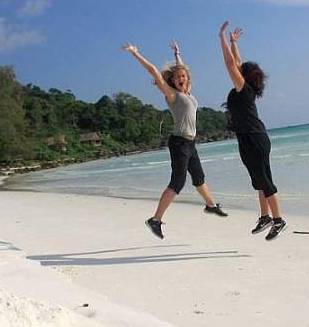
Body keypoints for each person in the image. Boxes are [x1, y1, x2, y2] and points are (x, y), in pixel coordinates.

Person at [122, 40, 228, 239]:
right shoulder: (172, 95)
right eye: (178, 77)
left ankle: (211, 206)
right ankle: (155, 220)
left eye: (184, 76)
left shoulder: (187, 93)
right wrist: (135, 53)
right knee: (177, 183)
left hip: (190, 144)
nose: (181, 78)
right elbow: (154, 70)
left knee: (199, 178)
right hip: (179, 143)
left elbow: (183, 70)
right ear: (172, 80)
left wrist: (178, 53)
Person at [218, 21, 287, 241]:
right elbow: (236, 62)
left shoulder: (244, 89)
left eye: (241, 70)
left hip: (255, 139)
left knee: (265, 181)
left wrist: (221, 38)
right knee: (257, 180)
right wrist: (233, 42)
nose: (237, 68)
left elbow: (230, 64)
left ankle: (279, 220)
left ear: (244, 76)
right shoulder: (242, 89)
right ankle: (265, 217)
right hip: (247, 139)